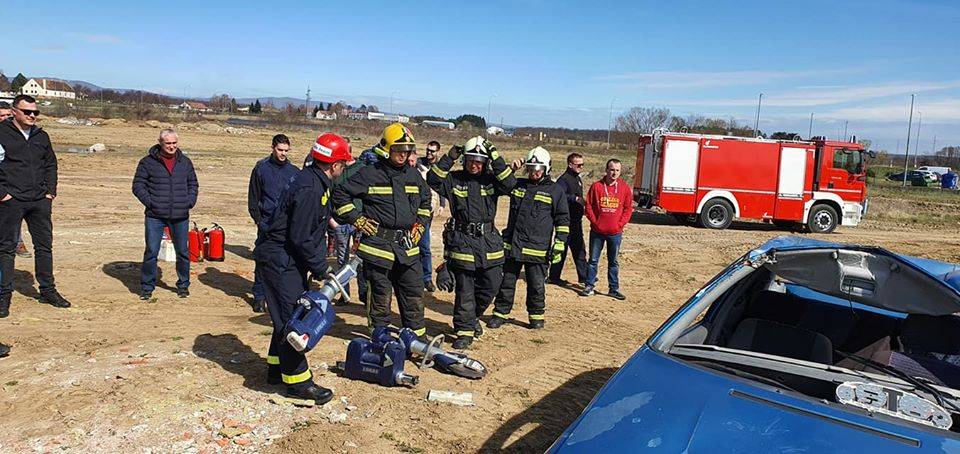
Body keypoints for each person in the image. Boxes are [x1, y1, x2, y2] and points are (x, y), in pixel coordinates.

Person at [253, 132, 352, 403]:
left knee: (283, 315)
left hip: (286, 259)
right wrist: (321, 268)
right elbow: (300, 237)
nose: (343, 168)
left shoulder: (312, 180)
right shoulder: (310, 188)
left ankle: (276, 369)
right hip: (280, 260)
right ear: (335, 165)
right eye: (344, 164)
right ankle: (299, 383)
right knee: (292, 322)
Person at [332, 123, 432, 337]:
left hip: (407, 249)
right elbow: (339, 195)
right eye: (399, 150)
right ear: (387, 149)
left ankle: (418, 340)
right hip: (378, 249)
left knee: (414, 296)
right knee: (380, 298)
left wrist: (421, 223)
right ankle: (380, 339)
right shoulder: (370, 174)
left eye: (407, 150)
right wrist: (357, 220)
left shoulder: (413, 175)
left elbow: (426, 199)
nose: (404, 155)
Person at [427, 136, 515, 348]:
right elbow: (433, 179)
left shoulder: (492, 179)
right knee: (465, 289)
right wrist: (449, 157)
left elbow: (510, 184)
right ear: (464, 160)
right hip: (462, 241)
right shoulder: (454, 179)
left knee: (492, 284)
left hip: (488, 241)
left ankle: (473, 317)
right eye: (470, 160)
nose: (474, 165)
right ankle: (464, 331)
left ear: (485, 162)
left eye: (479, 161)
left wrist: (495, 156)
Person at [0, 94, 71, 316]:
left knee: (44, 246)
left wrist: (50, 191)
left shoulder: (41, 135)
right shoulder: (2, 133)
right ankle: (4, 296)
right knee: (6, 249)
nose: (32, 116)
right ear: (14, 111)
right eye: (27, 112)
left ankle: (48, 290)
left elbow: (51, 164)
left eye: (35, 112)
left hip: (39, 200)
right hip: (11, 201)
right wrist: (3, 194)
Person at [489, 146, 569, 330]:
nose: (534, 172)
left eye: (538, 169)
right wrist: (511, 169)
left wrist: (560, 243)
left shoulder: (555, 191)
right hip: (513, 246)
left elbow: (563, 219)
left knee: (536, 285)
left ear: (546, 168)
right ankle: (500, 314)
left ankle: (536, 316)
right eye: (531, 168)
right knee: (506, 282)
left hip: (537, 250)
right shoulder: (518, 185)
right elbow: (499, 184)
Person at [132, 129, 199, 300]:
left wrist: (189, 201)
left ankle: (183, 285)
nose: (171, 146)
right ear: (160, 143)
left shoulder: (185, 162)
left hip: (180, 215)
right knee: (151, 252)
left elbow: (193, 183)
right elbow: (138, 185)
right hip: (155, 216)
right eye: (168, 143)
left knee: (182, 252)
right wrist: (151, 202)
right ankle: (147, 287)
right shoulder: (147, 162)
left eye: (174, 143)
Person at [247, 134, 299, 312]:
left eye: (286, 150)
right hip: (267, 223)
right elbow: (253, 199)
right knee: (262, 260)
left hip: (286, 225)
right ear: (272, 148)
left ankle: (279, 296)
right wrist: (259, 221)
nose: (283, 153)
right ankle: (259, 296)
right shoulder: (261, 169)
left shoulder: (294, 172)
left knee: (285, 262)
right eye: (280, 150)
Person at [581, 159, 634, 300]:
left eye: (617, 170)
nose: (614, 173)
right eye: (612, 170)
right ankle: (589, 286)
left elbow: (628, 209)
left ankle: (613, 289)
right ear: (606, 170)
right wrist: (595, 222)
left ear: (620, 172)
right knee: (593, 260)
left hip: (615, 233)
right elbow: (589, 206)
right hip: (597, 232)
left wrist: (620, 224)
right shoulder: (596, 186)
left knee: (613, 262)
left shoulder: (624, 188)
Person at [329, 152, 367, 305]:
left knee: (360, 260)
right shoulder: (336, 170)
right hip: (340, 223)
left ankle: (364, 293)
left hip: (359, 223)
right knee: (342, 261)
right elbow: (329, 196)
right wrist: (333, 222)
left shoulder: (362, 169)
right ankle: (344, 293)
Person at [548, 152, 587, 287]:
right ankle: (554, 277)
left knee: (579, 250)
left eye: (582, 165)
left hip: (576, 221)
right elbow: (559, 195)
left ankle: (584, 277)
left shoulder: (578, 179)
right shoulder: (563, 180)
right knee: (561, 250)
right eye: (578, 165)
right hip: (565, 222)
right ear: (570, 165)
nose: (581, 167)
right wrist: (575, 198)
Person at [0, 102, 32, 259]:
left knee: (12, 215)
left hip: (10, 185)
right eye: (1, 115)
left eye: (8, 115)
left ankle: (17, 242)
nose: (5, 118)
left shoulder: (17, 135)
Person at [414, 140, 446, 292]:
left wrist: (442, 204)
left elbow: (441, 186)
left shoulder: (439, 167)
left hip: (429, 209)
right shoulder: (419, 163)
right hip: (415, 207)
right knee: (416, 244)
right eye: (428, 150)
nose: (429, 153)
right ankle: (416, 277)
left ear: (438, 152)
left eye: (432, 151)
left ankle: (427, 278)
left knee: (425, 247)